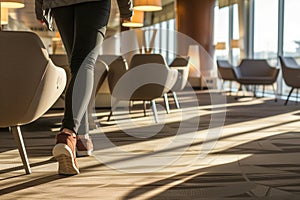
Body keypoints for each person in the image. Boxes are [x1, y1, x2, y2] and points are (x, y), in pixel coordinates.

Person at [35, 0, 132, 175]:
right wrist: (126, 7)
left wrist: (40, 6)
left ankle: (82, 137)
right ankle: (68, 134)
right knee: (84, 64)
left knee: (77, 65)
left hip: (59, 3)